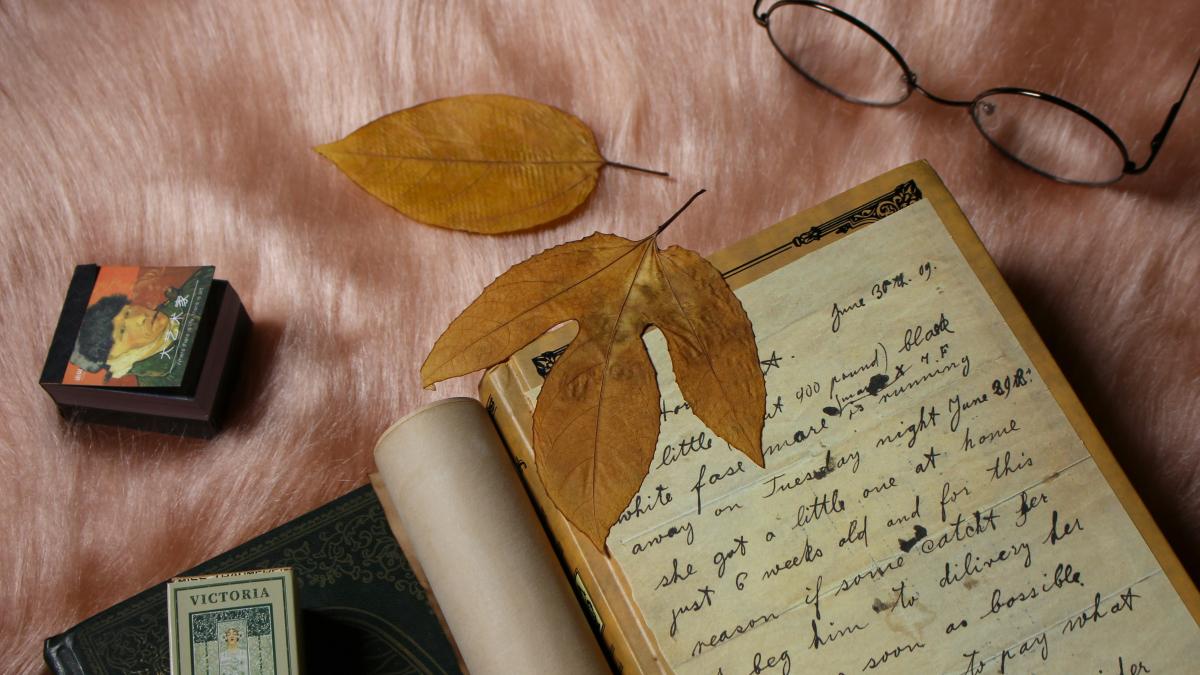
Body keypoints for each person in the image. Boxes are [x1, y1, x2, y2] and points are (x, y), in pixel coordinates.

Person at [69, 266, 211, 384]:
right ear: (115, 356)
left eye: (128, 312)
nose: (141, 317)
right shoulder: (163, 381)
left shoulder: (191, 289)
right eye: (123, 331)